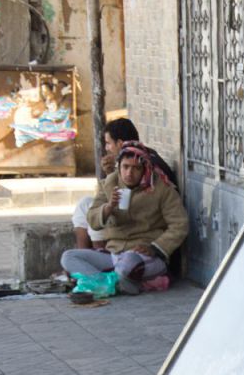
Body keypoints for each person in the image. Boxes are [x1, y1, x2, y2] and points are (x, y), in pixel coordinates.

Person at [60, 142, 188, 294]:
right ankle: (111, 284)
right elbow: (92, 220)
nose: (129, 173)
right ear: (119, 166)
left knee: (129, 263)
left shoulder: (161, 188)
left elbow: (180, 224)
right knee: (68, 257)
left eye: (136, 168)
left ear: (145, 169)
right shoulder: (109, 184)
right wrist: (108, 207)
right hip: (114, 255)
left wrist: (155, 247)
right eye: (125, 167)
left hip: (144, 257)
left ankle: (108, 283)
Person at [71, 118, 177, 249]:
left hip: (141, 222)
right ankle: (87, 255)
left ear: (120, 144)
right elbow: (114, 193)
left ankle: (101, 255)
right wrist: (111, 173)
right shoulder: (140, 156)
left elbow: (132, 192)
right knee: (86, 204)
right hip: (129, 214)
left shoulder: (144, 163)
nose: (106, 148)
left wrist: (111, 178)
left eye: (108, 143)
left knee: (91, 207)